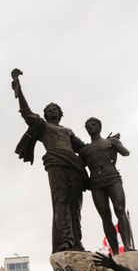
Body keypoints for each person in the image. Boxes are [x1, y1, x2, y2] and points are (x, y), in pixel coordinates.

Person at [11, 68, 88, 253]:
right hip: (56, 164)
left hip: (74, 167)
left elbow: (83, 148)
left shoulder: (68, 131)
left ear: (60, 113)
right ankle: (64, 241)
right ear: (45, 115)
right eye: (48, 110)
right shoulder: (43, 126)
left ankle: (76, 242)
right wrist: (18, 87)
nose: (52, 111)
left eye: (55, 109)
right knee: (61, 201)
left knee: (75, 205)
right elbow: (25, 112)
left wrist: (106, 143)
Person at [79, 117, 133, 254]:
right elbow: (79, 167)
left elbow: (125, 152)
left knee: (120, 209)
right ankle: (114, 251)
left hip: (113, 178)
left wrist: (116, 143)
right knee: (105, 216)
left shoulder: (111, 142)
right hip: (96, 183)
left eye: (93, 124)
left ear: (99, 126)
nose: (90, 127)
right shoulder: (85, 150)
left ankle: (127, 246)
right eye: (87, 126)